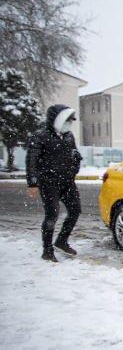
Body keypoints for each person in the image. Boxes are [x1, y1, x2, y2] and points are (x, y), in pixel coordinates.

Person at [25, 105, 82, 262]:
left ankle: (61, 241)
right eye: (67, 120)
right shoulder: (40, 136)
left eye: (71, 121)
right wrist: (32, 183)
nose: (69, 124)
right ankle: (47, 250)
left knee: (75, 210)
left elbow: (74, 154)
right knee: (52, 215)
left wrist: (75, 165)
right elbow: (31, 161)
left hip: (67, 181)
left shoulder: (69, 136)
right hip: (49, 182)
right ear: (57, 120)